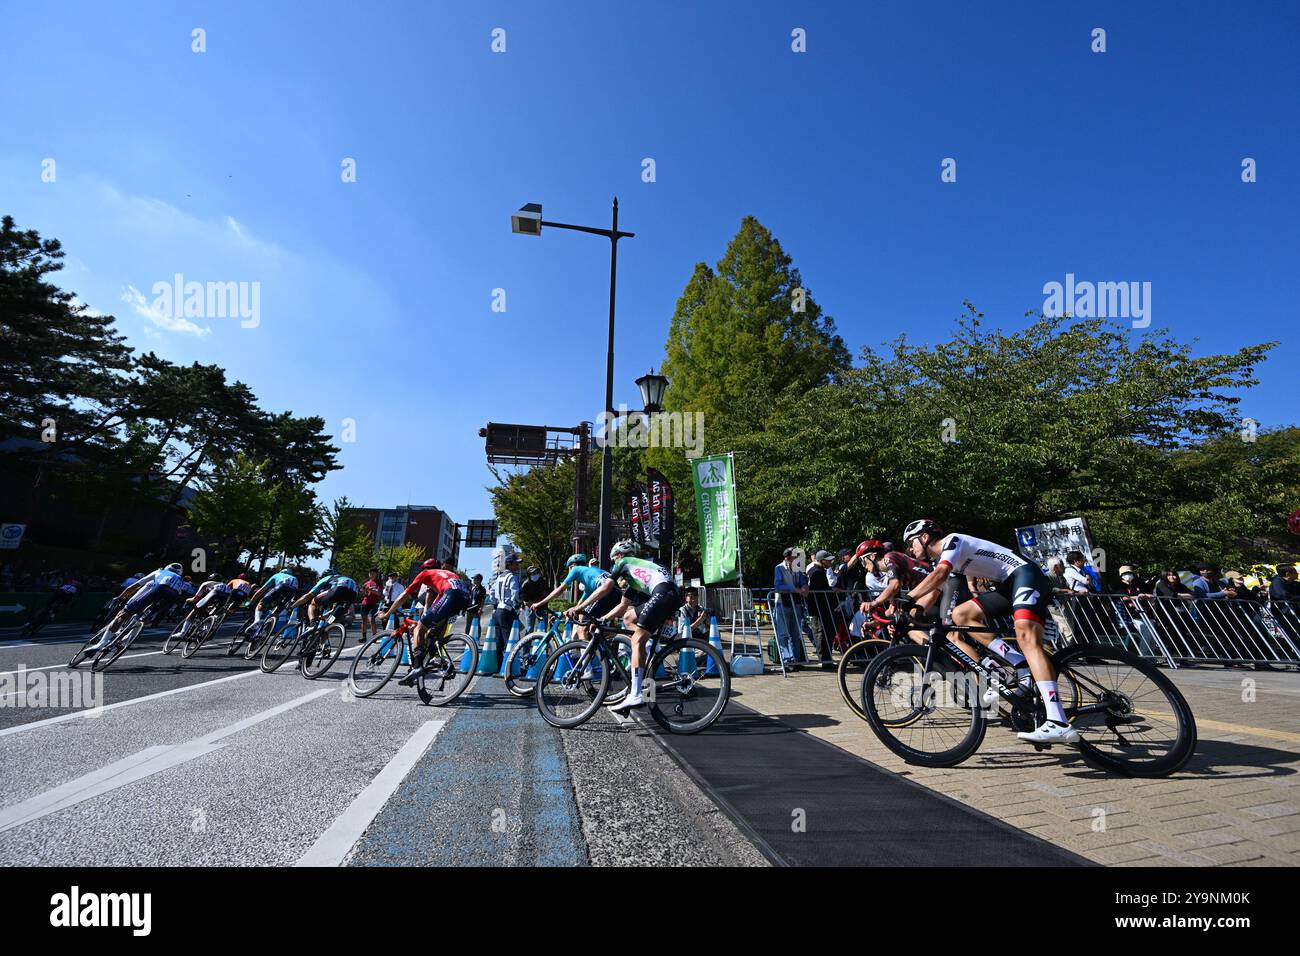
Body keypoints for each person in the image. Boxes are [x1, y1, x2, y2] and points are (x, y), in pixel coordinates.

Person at [901, 519, 1076, 745]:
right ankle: (1021, 665)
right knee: (962, 615)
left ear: (924, 537)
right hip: (1008, 584)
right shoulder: (941, 559)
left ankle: (1058, 721)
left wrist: (908, 598)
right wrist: (912, 609)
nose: (910, 549)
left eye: (911, 542)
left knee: (1025, 637)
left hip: (1026, 575)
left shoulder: (951, 541)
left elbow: (941, 575)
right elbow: (935, 588)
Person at [568, 541, 682, 712]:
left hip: (663, 593)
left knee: (637, 639)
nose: (614, 564)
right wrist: (604, 618)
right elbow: (622, 606)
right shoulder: (638, 572)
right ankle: (647, 681)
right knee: (629, 617)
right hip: (670, 595)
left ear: (620, 555)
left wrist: (580, 607)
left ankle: (635, 694)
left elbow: (606, 587)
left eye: (614, 560)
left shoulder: (625, 563)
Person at [383, 559, 472, 684]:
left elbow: (404, 595)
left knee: (419, 628)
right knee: (433, 634)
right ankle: (439, 661)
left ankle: (417, 667)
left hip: (451, 594)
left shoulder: (425, 573)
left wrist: (387, 614)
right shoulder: (449, 575)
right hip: (464, 598)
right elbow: (437, 604)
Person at [91, 562, 186, 648]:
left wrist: (120, 597)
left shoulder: (160, 571)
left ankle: (101, 643)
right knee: (144, 619)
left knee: (124, 614)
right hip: (172, 597)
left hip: (157, 590)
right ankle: (125, 640)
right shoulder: (180, 580)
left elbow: (135, 585)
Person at [532, 553, 615, 641]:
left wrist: (540, 604)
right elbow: (578, 606)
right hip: (616, 593)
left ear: (572, 566)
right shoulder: (590, 579)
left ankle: (586, 654)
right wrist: (562, 615)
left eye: (569, 569)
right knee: (598, 628)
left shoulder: (576, 569)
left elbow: (560, 590)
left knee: (581, 629)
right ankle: (611, 648)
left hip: (605, 591)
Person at [770, 547, 807, 670]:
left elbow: (802, 580)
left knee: (796, 634)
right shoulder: (779, 568)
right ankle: (786, 660)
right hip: (782, 603)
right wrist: (794, 589)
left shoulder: (798, 567)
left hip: (795, 603)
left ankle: (795, 660)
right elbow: (778, 585)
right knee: (783, 634)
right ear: (788, 557)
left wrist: (805, 586)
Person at [292, 567, 360, 626]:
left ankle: (312, 623)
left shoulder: (328, 577)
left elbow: (308, 595)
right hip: (354, 593)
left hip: (339, 589)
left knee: (313, 603)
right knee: (332, 618)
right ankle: (324, 631)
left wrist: (293, 606)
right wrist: (320, 617)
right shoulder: (343, 577)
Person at [490, 553, 523, 643]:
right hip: (507, 611)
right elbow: (515, 594)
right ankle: (511, 657)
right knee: (511, 641)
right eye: (516, 564)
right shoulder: (512, 577)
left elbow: (492, 593)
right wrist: (516, 608)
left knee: (498, 642)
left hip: (498, 611)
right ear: (509, 564)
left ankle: (499, 658)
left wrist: (495, 603)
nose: (518, 566)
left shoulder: (499, 577)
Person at [519, 566, 551, 633]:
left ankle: (542, 642)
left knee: (542, 628)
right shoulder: (525, 585)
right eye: (533, 574)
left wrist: (543, 599)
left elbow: (548, 594)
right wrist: (531, 605)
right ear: (529, 575)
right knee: (530, 628)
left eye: (537, 573)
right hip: (530, 608)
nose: (535, 575)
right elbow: (525, 599)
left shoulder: (543, 582)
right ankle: (527, 643)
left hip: (542, 607)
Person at [358, 568, 384, 641]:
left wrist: (370, 589)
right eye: (370, 573)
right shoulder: (366, 583)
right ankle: (364, 637)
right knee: (364, 620)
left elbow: (379, 593)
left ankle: (374, 637)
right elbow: (363, 594)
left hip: (373, 604)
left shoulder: (378, 583)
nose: (371, 575)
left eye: (373, 573)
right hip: (365, 603)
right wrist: (362, 591)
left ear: (376, 574)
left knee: (371, 619)